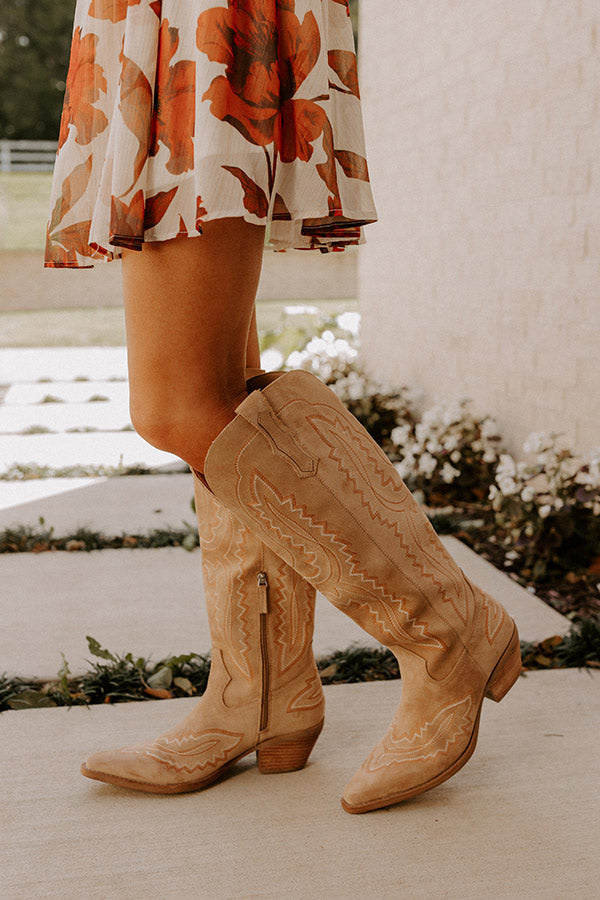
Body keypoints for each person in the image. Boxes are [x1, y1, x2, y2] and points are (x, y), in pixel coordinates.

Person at [46, 1, 520, 815]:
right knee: (219, 385)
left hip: (195, 18)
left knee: (177, 405)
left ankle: (447, 631)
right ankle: (261, 695)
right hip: (155, 18)